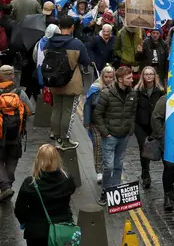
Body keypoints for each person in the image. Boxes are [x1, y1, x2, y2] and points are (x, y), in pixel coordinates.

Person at [14, 144, 76, 245]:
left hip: (36, 233)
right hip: (63, 231)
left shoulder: (30, 183)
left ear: (38, 159)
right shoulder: (67, 180)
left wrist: (26, 221)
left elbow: (19, 209)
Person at [45, 15, 91, 150]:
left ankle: (57, 139)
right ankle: (64, 140)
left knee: (56, 109)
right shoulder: (76, 43)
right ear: (72, 27)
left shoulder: (50, 42)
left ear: (59, 27)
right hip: (71, 81)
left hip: (54, 80)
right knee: (67, 111)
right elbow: (86, 61)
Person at [94, 66, 138, 206]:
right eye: (129, 78)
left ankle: (115, 192)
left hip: (124, 135)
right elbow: (98, 115)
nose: (132, 80)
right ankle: (105, 191)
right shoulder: (106, 94)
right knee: (108, 166)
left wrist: (130, 129)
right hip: (110, 136)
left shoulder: (133, 94)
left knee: (118, 164)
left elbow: (132, 113)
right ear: (120, 79)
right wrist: (105, 132)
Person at [0, 65, 33, 202]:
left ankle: (5, 186)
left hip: (0, 134)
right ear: (12, 76)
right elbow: (30, 110)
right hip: (15, 134)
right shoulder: (20, 93)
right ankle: (8, 185)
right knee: (12, 160)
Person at [134, 66, 165, 189]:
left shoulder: (160, 91)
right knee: (144, 148)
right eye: (146, 74)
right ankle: (145, 174)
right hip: (140, 125)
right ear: (143, 75)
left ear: (154, 76)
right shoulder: (137, 90)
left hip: (155, 125)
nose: (149, 76)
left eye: (151, 74)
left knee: (158, 148)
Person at [83, 65, 115, 184]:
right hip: (96, 122)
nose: (108, 79)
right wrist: (86, 122)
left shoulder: (116, 89)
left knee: (110, 147)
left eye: (110, 77)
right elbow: (87, 105)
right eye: (106, 77)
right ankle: (99, 171)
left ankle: (108, 169)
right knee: (98, 146)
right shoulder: (95, 89)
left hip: (111, 122)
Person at [151, 94, 174, 211]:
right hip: (166, 139)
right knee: (169, 166)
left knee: (173, 166)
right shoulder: (164, 99)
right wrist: (161, 136)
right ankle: (166, 195)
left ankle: (171, 189)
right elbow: (155, 117)